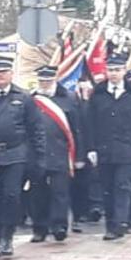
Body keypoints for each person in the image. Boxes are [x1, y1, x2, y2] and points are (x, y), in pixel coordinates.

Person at [0, 56, 43, 257]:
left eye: (3, 73)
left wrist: (38, 157)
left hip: (16, 154)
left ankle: (8, 235)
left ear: (10, 74)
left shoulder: (23, 97)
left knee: (11, 195)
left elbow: (36, 129)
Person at [82, 54, 131, 240]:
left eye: (117, 70)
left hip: (127, 149)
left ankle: (121, 223)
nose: (113, 74)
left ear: (124, 72)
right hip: (103, 149)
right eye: (110, 70)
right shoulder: (98, 94)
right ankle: (111, 224)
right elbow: (89, 124)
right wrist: (90, 149)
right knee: (107, 188)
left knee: (122, 185)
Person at [28, 65, 78, 242]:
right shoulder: (31, 99)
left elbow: (77, 129)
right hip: (37, 153)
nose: (45, 84)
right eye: (42, 81)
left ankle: (59, 226)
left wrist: (78, 156)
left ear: (55, 79)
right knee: (37, 193)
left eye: (48, 80)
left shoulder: (68, 98)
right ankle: (39, 228)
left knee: (60, 192)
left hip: (60, 152)